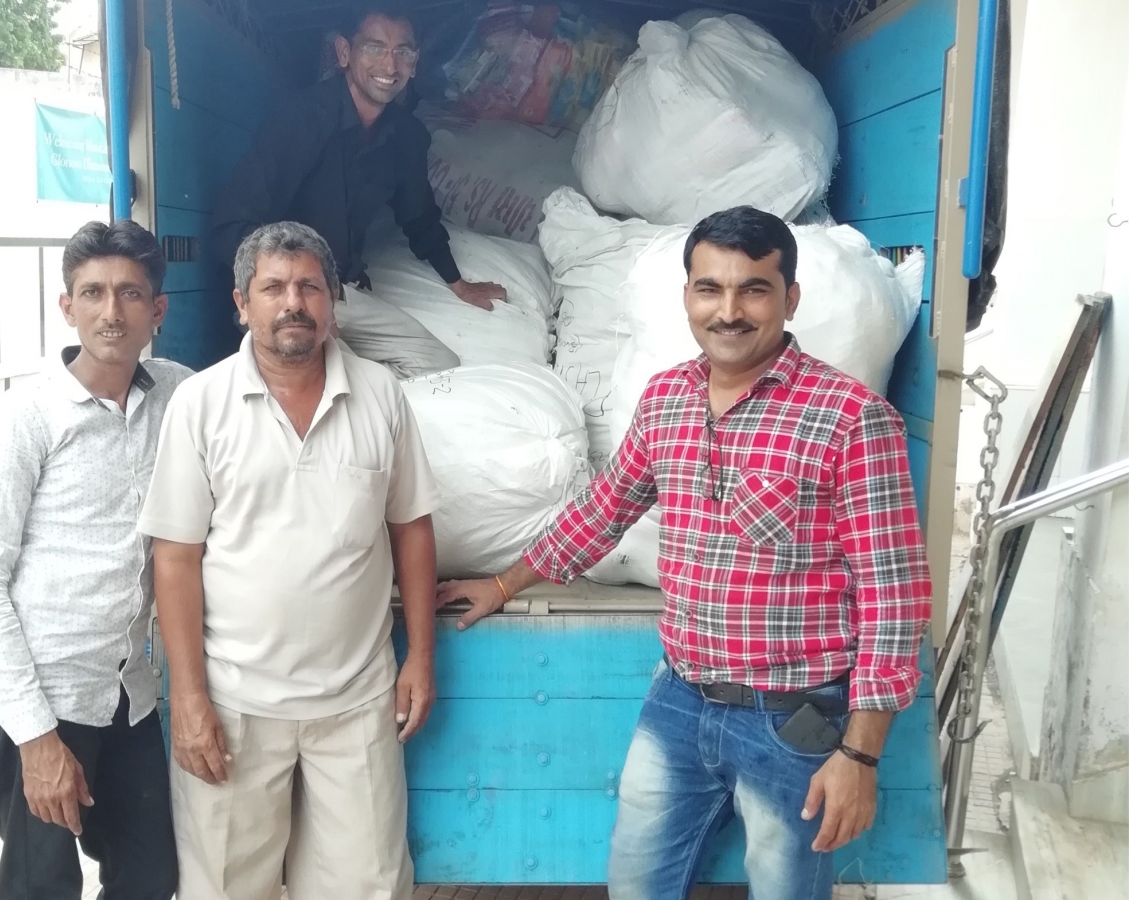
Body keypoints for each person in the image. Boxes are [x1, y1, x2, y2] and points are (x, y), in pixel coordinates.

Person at [438, 207, 933, 900]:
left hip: (793, 721)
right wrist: (503, 583)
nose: (729, 311)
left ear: (790, 298)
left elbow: (894, 595)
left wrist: (861, 753)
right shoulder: (667, 398)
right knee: (636, 886)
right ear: (688, 297)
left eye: (753, 289)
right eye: (710, 288)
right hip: (679, 699)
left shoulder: (850, 417)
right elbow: (606, 509)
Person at [139, 221, 440, 900]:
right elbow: (176, 559)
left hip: (358, 702)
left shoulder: (381, 395)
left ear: (333, 301)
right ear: (242, 303)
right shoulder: (201, 404)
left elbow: (412, 529)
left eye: (309, 286)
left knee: (369, 886)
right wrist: (187, 699)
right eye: (273, 287)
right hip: (234, 702)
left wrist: (421, 656)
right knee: (225, 888)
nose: (293, 302)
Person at [0, 220, 191, 900]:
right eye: (92, 293)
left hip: (128, 699)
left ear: (157, 310)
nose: (110, 313)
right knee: (41, 887)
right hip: (38, 701)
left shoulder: (179, 394)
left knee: (152, 876)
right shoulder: (24, 418)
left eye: (129, 294)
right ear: (67, 307)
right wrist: (34, 739)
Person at [211, 4, 506, 378]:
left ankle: (367, 395)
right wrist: (293, 297)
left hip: (343, 292)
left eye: (403, 52)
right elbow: (232, 226)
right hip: (283, 296)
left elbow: (419, 216)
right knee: (339, 386)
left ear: (414, 63)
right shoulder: (301, 119)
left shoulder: (406, 137)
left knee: (439, 366)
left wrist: (457, 283)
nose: (390, 66)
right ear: (344, 53)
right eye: (375, 48)